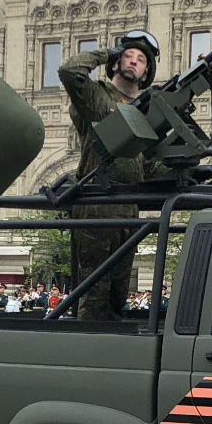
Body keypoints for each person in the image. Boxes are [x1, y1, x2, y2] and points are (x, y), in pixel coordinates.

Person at [59, 29, 166, 320]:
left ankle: (111, 338)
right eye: (127, 56)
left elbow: (146, 166)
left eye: (140, 59)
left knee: (118, 293)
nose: (133, 61)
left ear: (146, 72)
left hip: (128, 207)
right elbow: (69, 71)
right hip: (98, 202)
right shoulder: (98, 96)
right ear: (116, 63)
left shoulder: (146, 111)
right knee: (94, 290)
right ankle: (90, 343)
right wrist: (106, 53)